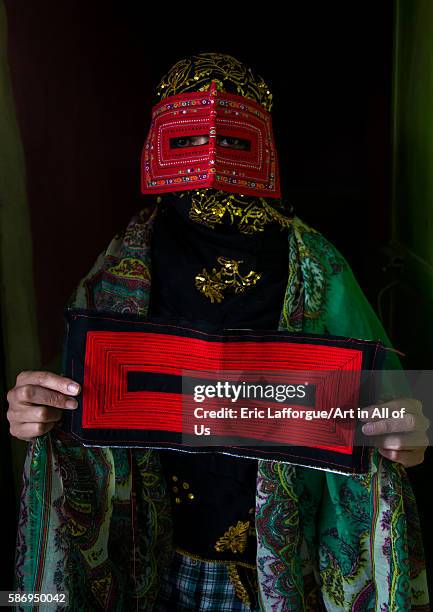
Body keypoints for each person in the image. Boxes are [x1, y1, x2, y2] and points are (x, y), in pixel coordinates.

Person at [7, 53, 430, 611]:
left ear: (263, 145)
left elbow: (403, 415)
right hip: (152, 569)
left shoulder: (315, 268)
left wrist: (407, 432)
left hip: (284, 572)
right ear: (160, 141)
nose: (209, 149)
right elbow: (69, 410)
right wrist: (34, 413)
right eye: (188, 137)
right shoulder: (117, 274)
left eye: (231, 138)